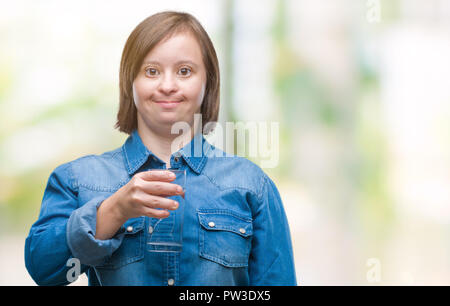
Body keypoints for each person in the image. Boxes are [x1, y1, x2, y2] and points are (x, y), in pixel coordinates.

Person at [24, 11, 297, 286]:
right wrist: (114, 211)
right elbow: (45, 270)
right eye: (151, 71)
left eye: (185, 71)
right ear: (130, 82)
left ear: (208, 82)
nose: (167, 86)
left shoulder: (252, 186)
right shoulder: (77, 179)